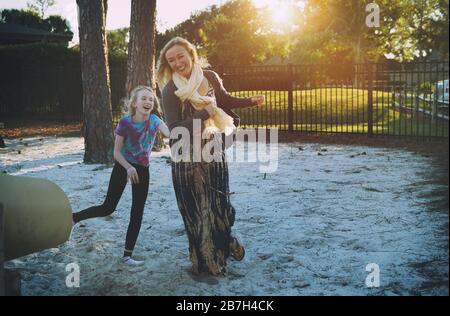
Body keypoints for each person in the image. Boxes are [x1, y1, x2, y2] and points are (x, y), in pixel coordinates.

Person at [156, 37, 264, 276]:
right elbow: (174, 129)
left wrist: (250, 101)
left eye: (180, 56)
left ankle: (225, 243)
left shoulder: (210, 77)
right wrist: (205, 113)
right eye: (170, 60)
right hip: (186, 157)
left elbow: (224, 101)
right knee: (199, 210)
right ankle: (207, 260)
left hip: (213, 150)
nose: (176, 62)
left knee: (219, 204)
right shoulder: (170, 90)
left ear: (191, 54)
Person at [72, 86, 170, 267]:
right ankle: (73, 218)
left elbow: (170, 133)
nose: (148, 102)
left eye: (151, 99)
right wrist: (128, 167)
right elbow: (116, 153)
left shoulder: (155, 120)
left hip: (143, 169)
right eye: (144, 99)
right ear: (135, 103)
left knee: (137, 211)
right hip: (123, 165)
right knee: (108, 207)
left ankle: (127, 255)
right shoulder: (125, 123)